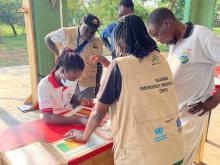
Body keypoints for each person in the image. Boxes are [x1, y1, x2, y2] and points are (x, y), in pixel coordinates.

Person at [65, 15, 184, 165]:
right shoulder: (161, 60)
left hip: (142, 156)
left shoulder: (119, 65)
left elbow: (98, 113)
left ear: (120, 40)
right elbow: (135, 77)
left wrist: (83, 136)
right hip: (174, 148)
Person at [147, 7, 220, 165]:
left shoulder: (201, 36)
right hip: (175, 114)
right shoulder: (174, 41)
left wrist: (215, 99)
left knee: (179, 160)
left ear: (167, 23)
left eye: (156, 34)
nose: (158, 40)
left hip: (192, 114)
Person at [45, 14, 103, 100]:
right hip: (66, 81)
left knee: (84, 110)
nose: (88, 34)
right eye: (86, 29)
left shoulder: (98, 42)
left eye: (92, 32)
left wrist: (98, 84)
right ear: (81, 23)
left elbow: (99, 64)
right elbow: (48, 39)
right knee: (65, 108)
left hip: (87, 85)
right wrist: (59, 55)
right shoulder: (66, 32)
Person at [38, 48, 89, 125]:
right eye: (73, 78)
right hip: (53, 121)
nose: (75, 81)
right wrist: (78, 119)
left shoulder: (70, 79)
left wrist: (79, 102)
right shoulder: (44, 85)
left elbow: (69, 96)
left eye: (77, 78)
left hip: (68, 115)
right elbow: (47, 117)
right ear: (62, 71)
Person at [92, 0, 134, 67]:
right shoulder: (112, 27)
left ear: (132, 13)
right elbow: (102, 36)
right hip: (117, 65)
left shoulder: (136, 29)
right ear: (117, 11)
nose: (123, 19)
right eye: (121, 15)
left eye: (127, 16)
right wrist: (110, 48)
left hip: (132, 66)